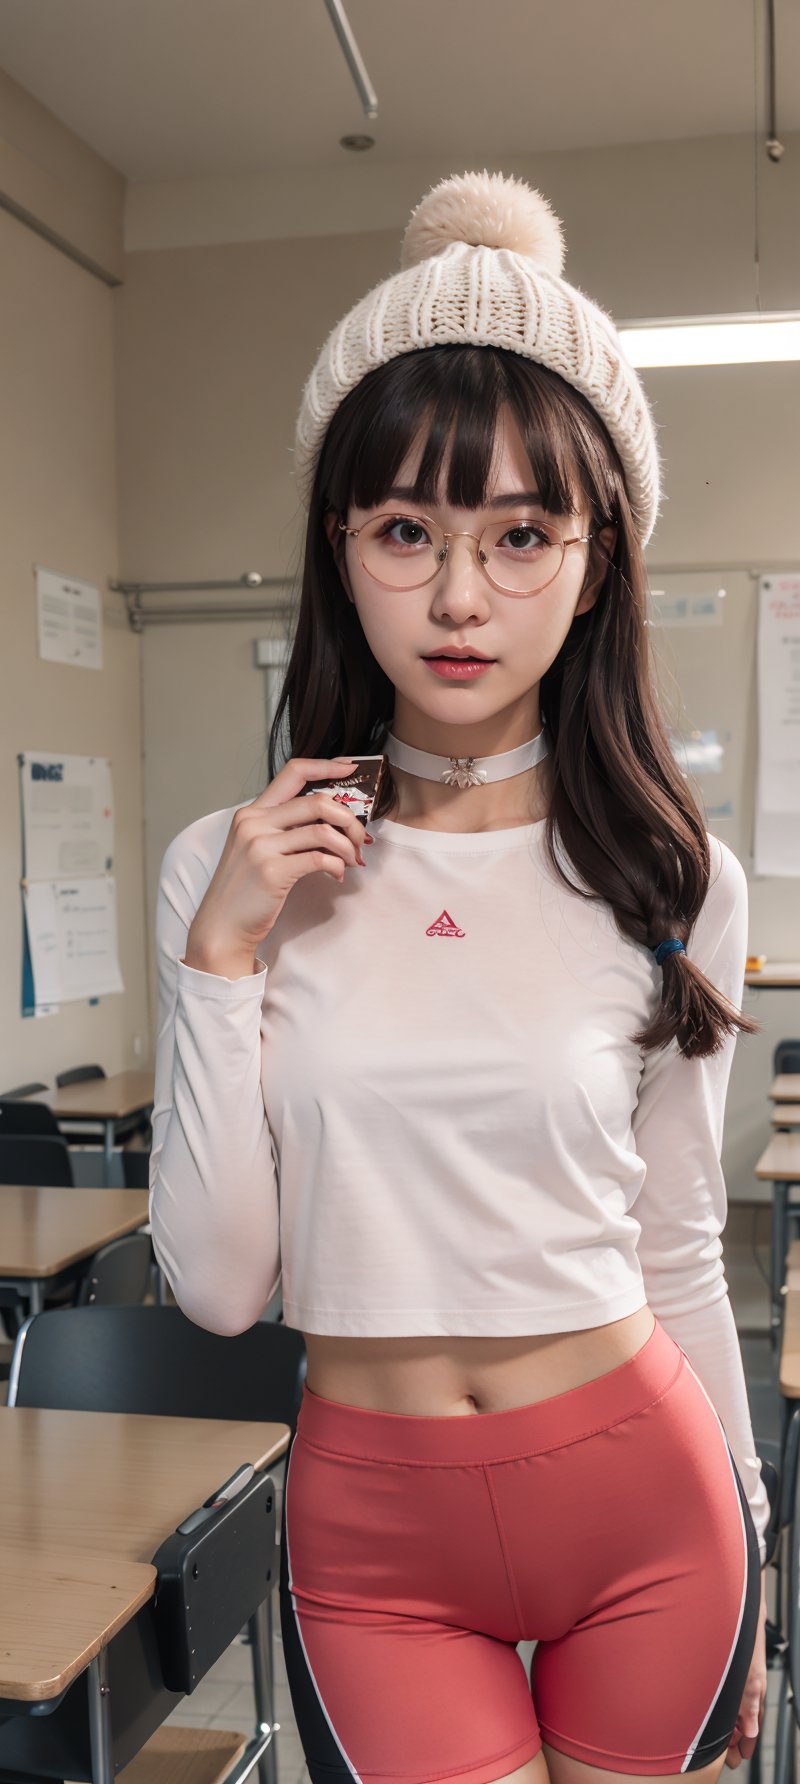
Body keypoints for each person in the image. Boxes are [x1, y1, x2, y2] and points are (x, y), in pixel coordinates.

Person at [149, 171, 770, 1784]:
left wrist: (761, 1554)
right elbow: (221, 1293)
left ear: (594, 552)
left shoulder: (670, 874)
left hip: (651, 1506)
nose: (460, 596)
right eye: (407, 530)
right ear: (341, 543)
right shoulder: (235, 868)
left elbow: (682, 1239)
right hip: (376, 1535)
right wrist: (222, 956)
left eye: (521, 535)